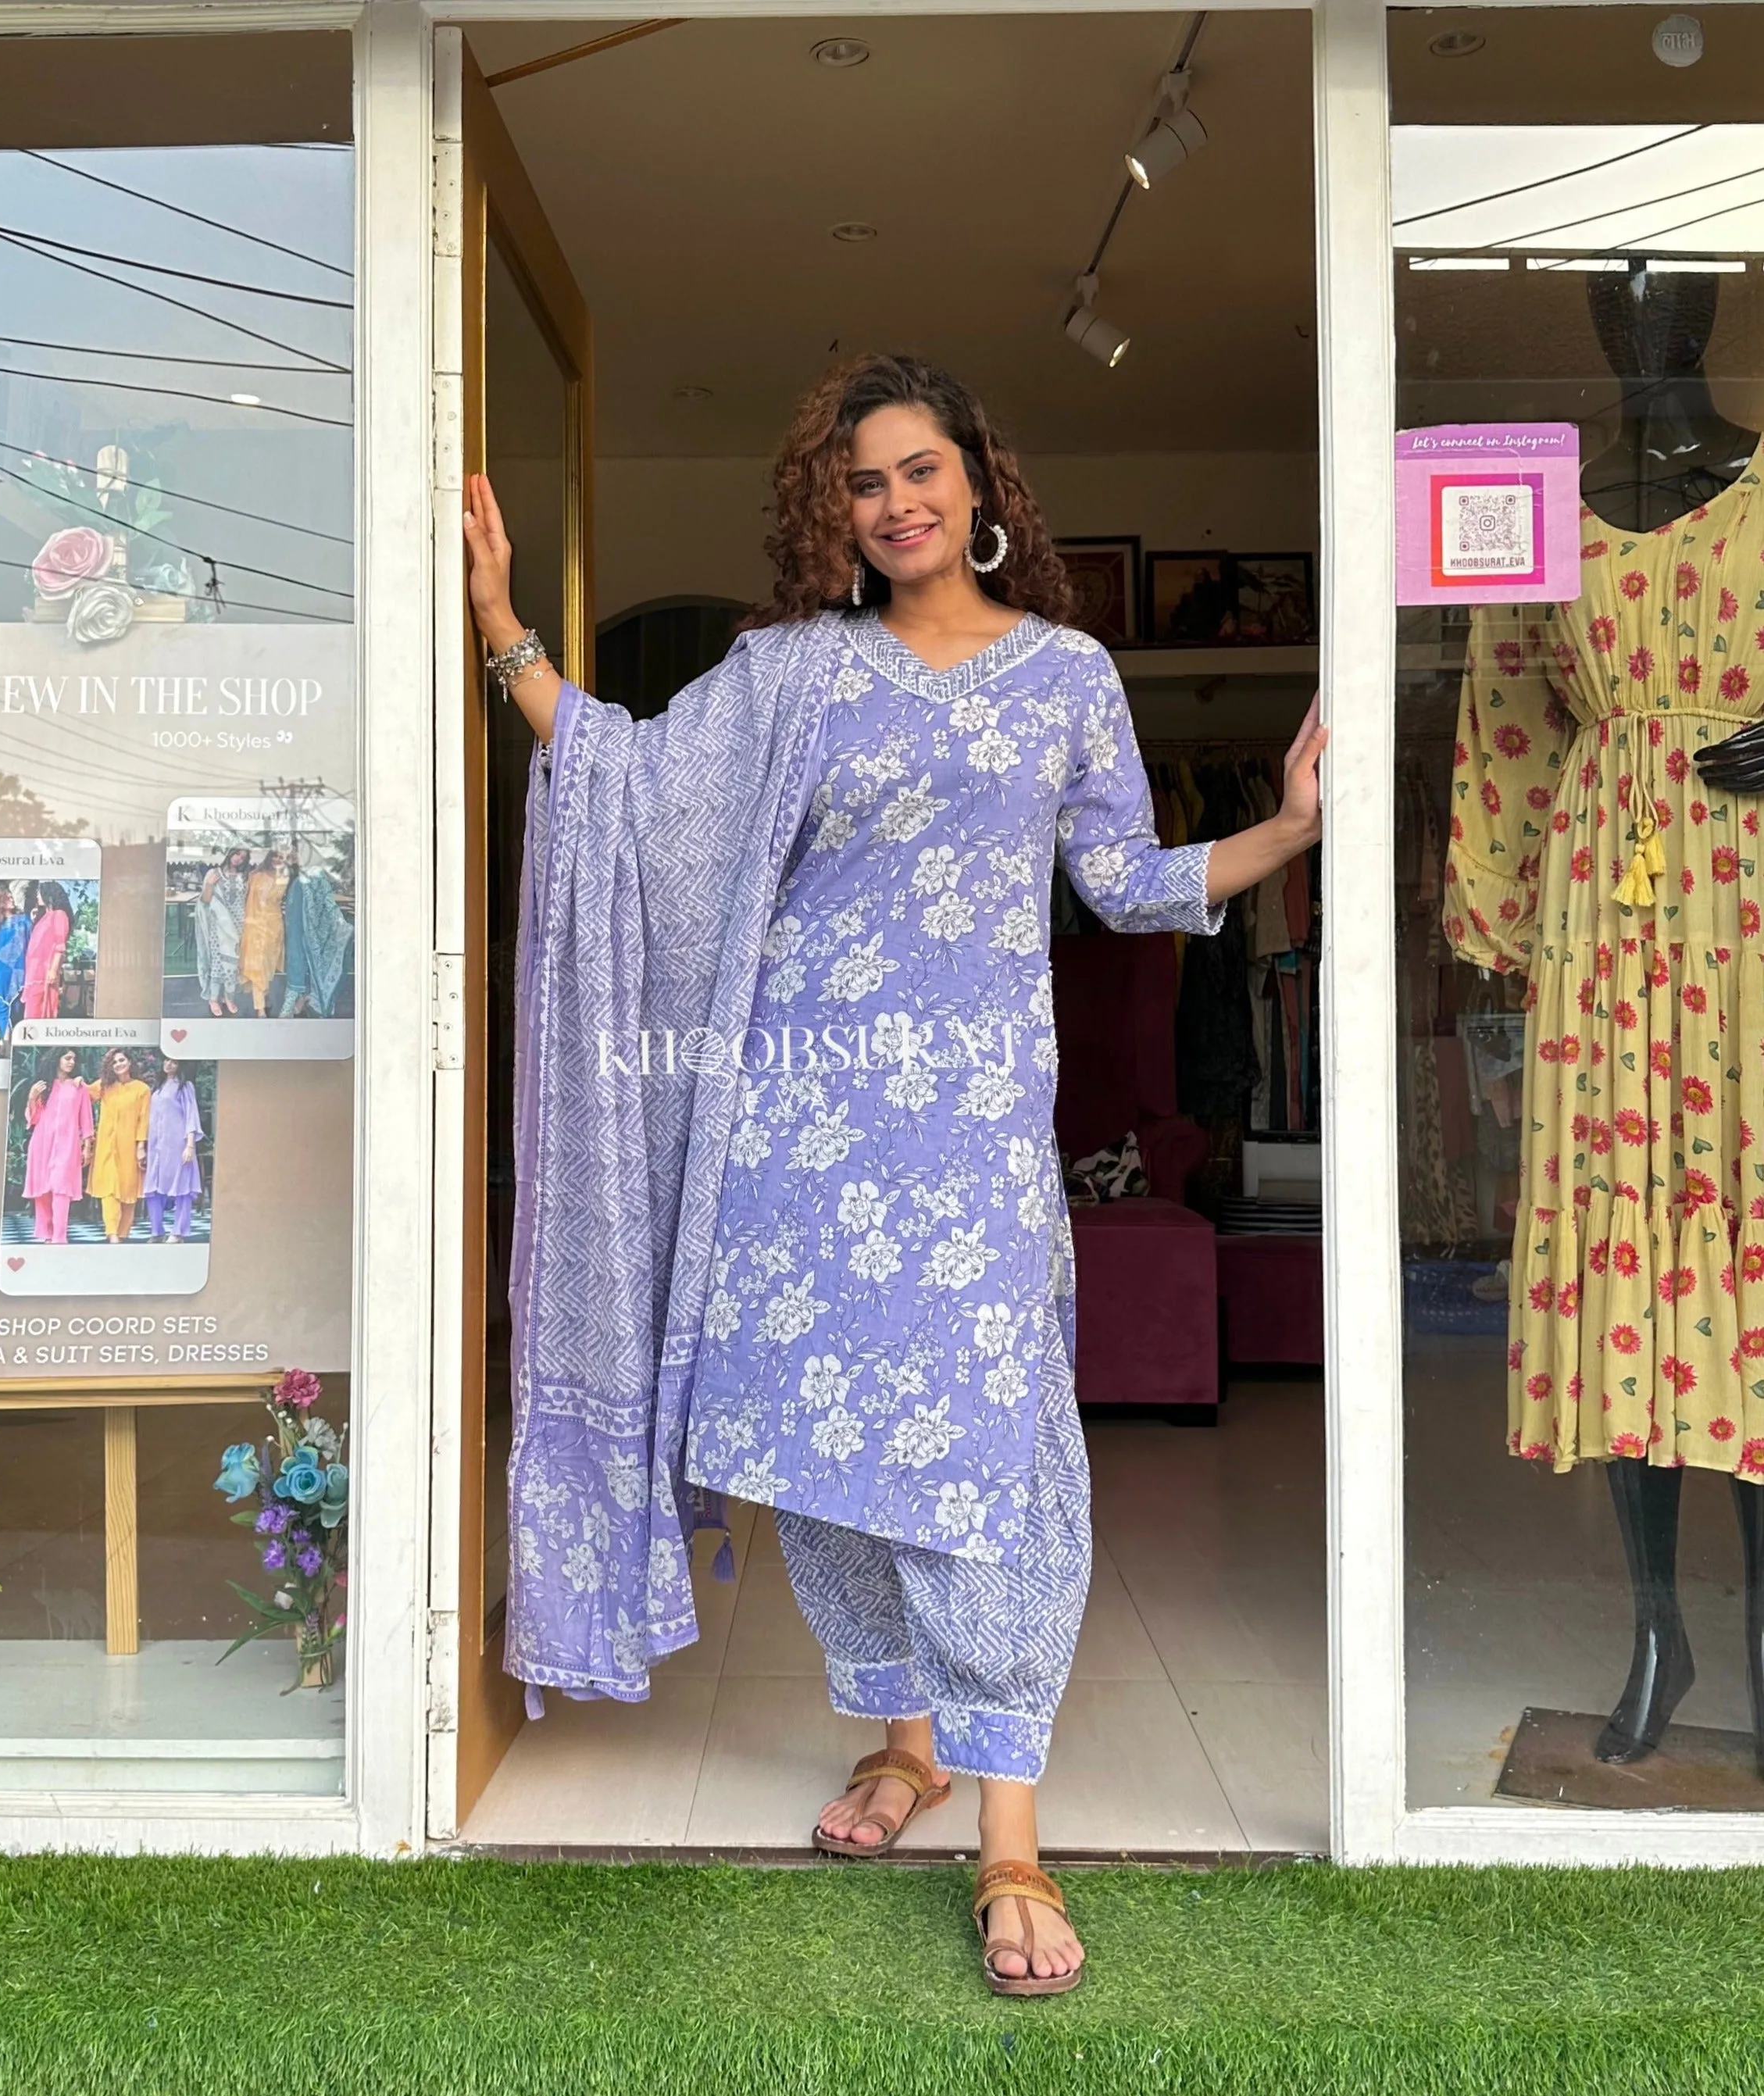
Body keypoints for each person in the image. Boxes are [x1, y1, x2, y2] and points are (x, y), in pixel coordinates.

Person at [463, 353, 1325, 1996]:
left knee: (987, 1446)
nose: (898, 502)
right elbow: (634, 786)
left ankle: (1010, 1834)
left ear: (979, 486)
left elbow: (1125, 880)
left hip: (968, 1136)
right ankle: (904, 1743)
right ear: (833, 511)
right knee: (822, 1438)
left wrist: (1280, 833)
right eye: (864, 482)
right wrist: (506, 630)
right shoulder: (792, 674)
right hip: (799, 1125)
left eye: (921, 469)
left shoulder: (1066, 675)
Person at [23, 1047, 94, 1244]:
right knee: (43, 1190)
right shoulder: (43, 1087)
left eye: (74, 1059)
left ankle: (59, 1236)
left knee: (61, 1188)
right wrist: (32, 1097)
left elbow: (86, 1119)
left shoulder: (79, 1087)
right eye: (67, 1058)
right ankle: (46, 1233)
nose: (71, 1062)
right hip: (42, 1143)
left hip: (68, 1145)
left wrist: (87, 1147)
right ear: (57, 1060)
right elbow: (34, 1119)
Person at [280, 843, 355, 1019]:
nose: (290, 854)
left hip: (308, 933)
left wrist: (338, 926)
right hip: (297, 931)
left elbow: (325, 904)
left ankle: (294, 1005)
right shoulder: (298, 875)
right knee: (296, 962)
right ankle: (299, 1002)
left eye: (295, 851)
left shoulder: (314, 874)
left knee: (300, 963)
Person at [87, 1045, 151, 1243]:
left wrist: (141, 1147)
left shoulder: (142, 1089)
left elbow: (144, 1119)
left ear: (130, 1062)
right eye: (114, 1062)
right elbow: (83, 1096)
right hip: (106, 1146)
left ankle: (122, 1235)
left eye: (121, 1060)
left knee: (128, 1192)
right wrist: (77, 1082)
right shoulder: (104, 1086)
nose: (118, 1065)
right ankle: (112, 1233)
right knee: (109, 1189)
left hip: (129, 1147)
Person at [144, 1056, 203, 1242]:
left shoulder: (184, 1087)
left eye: (174, 1062)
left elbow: (191, 1116)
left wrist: (190, 1145)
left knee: (182, 1188)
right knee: (152, 1189)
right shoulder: (158, 1088)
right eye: (167, 1061)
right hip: (156, 1147)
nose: (169, 1064)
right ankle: (157, 1231)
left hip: (177, 1145)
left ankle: (178, 1232)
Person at [194, 848, 249, 1017]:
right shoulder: (213, 873)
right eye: (237, 854)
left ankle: (228, 997)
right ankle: (213, 999)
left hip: (238, 928)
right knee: (218, 965)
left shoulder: (243, 877)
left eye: (243, 857)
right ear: (230, 853)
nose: (239, 859)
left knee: (232, 965)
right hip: (218, 927)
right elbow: (205, 901)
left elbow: (243, 902)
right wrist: (209, 885)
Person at [238, 852, 289, 1019]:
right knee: (257, 964)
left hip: (273, 925)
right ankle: (260, 1008)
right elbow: (245, 898)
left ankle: (264, 997)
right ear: (269, 857)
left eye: (281, 858)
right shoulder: (255, 875)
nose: (277, 860)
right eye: (275, 856)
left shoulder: (283, 877)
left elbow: (276, 898)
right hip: (254, 925)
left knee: (266, 964)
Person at [20, 880, 73, 1023]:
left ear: (48, 894)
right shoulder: (45, 916)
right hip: (34, 973)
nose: (37, 896)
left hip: (44, 973)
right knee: (32, 1010)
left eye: (40, 892)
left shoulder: (60, 915)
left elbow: (59, 946)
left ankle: (37, 1044)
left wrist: (53, 970)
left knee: (38, 1012)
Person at [0, 884, 30, 1044]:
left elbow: (29, 944)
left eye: (11, 897)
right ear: (0, 902)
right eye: (8, 897)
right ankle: (5, 1036)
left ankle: (14, 1037)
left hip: (18, 970)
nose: (11, 899)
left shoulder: (24, 920)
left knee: (16, 1005)